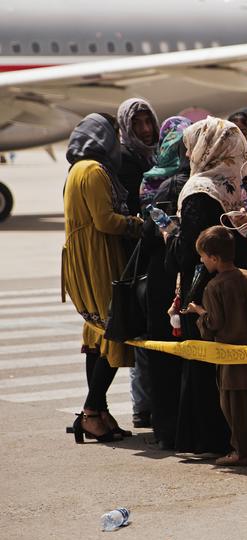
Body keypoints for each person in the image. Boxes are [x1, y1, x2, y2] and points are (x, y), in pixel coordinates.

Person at [166, 116, 247, 456]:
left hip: (205, 292)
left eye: (192, 147)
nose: (189, 154)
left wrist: (169, 235)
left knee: (204, 363)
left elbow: (187, 252)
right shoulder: (241, 183)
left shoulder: (199, 191)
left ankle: (208, 438)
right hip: (239, 284)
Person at [62, 113, 143, 443]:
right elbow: (106, 221)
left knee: (97, 333)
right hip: (98, 255)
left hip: (86, 254)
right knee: (112, 329)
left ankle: (99, 411)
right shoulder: (93, 171)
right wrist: (139, 225)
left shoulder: (77, 170)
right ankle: (92, 412)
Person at [186, 226, 247, 466]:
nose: (201, 260)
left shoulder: (214, 287)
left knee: (234, 408)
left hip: (230, 359)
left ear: (214, 258)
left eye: (203, 256)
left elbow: (214, 323)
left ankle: (240, 451)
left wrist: (198, 312)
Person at [138, 115, 191, 449]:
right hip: (180, 280)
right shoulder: (189, 183)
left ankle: (165, 428)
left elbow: (146, 235)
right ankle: (182, 428)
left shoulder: (153, 184)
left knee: (161, 357)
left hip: (159, 279)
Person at [116, 97, 160, 430]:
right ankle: (142, 406)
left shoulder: (156, 155)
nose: (146, 130)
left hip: (151, 251)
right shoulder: (126, 159)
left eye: (149, 122)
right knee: (142, 332)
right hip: (135, 252)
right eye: (138, 124)